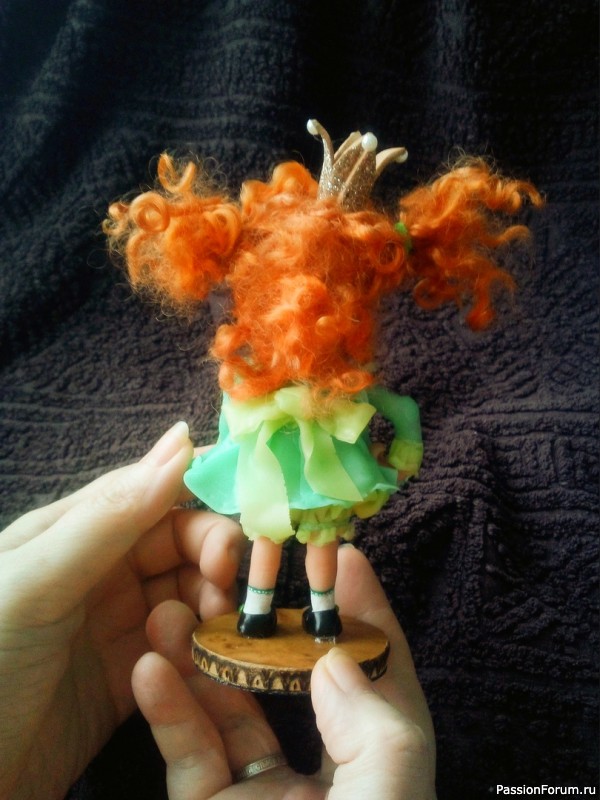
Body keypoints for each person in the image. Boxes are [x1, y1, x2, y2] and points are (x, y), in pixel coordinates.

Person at [0, 422, 436, 799]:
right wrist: (403, 448)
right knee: (318, 541)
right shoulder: (336, 395)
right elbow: (399, 411)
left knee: (269, 538)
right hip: (323, 484)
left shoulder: (255, 392)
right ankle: (321, 613)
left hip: (272, 480)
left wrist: (225, 456)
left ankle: (258, 614)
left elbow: (231, 431)